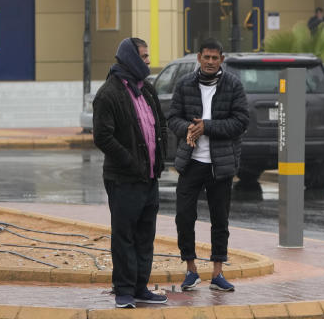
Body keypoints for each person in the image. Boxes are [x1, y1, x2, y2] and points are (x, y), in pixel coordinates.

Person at [92, 37, 169, 309]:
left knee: (145, 235)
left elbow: (159, 126)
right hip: (124, 179)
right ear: (130, 59)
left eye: (148, 56)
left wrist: (160, 159)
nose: (148, 62)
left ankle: (140, 287)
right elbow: (102, 137)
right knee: (124, 236)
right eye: (144, 57)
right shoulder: (108, 93)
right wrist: (129, 161)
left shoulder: (147, 90)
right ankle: (123, 290)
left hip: (149, 178)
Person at [167, 38, 249, 292]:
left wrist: (208, 126)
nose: (211, 62)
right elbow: (172, 118)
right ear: (198, 58)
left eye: (215, 58)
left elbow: (241, 121)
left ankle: (217, 272)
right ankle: (191, 270)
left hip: (220, 164)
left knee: (220, 219)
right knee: (184, 216)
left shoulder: (233, 85)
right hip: (191, 162)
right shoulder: (184, 85)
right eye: (207, 57)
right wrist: (188, 128)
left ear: (221, 60)